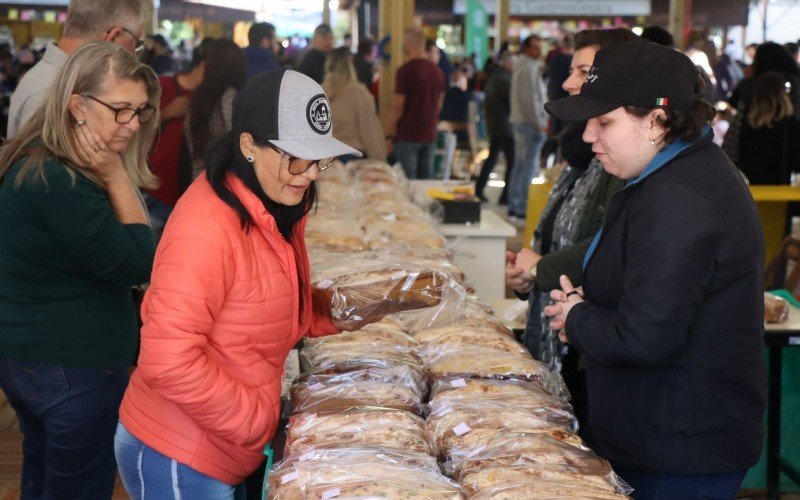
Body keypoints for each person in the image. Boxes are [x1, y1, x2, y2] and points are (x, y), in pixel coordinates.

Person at [115, 69, 362, 498]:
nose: (310, 175)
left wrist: (347, 308)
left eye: (319, 159)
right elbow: (167, 359)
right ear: (249, 145)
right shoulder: (207, 226)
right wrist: (255, 419)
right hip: (180, 452)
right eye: (296, 159)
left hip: (222, 446)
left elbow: (264, 307)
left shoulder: (274, 205)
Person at [543, 41, 766, 499]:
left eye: (605, 122)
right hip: (661, 437)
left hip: (679, 453)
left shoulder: (681, 199)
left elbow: (645, 337)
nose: (588, 136)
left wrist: (577, 318)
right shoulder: (666, 177)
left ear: (656, 121)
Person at [0, 41, 158, 499]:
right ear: (78, 107)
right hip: (73, 363)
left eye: (140, 112)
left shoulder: (35, 154)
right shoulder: (64, 179)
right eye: (121, 109)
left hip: (33, 355)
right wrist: (115, 175)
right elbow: (136, 263)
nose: (131, 124)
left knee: (45, 472)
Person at [505, 28, 637, 428]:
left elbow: (605, 244)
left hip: (588, 348)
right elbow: (559, 232)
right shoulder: (583, 154)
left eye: (582, 70)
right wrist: (527, 272)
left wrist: (540, 268)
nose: (566, 81)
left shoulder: (626, 164)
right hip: (563, 334)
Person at [8, 0, 147, 138]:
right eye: (137, 43)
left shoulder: (55, 80)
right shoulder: (53, 91)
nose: (134, 54)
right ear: (114, 38)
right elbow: (44, 160)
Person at [144, 39, 209, 241]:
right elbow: (137, 125)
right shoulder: (163, 85)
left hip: (188, 197)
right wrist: (168, 112)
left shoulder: (209, 98)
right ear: (204, 64)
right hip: (157, 189)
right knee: (147, 260)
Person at [725, 42, 800, 184]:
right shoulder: (791, 123)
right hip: (784, 190)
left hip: (749, 190)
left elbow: (731, 148)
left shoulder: (749, 87)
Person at [386, 28, 445, 179]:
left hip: (407, 136)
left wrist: (388, 135)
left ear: (408, 44)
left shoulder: (405, 71)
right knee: (426, 185)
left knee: (407, 185)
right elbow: (439, 104)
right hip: (430, 135)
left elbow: (397, 107)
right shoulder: (437, 72)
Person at [185, 39, 247, 178]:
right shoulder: (232, 98)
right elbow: (240, 147)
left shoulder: (198, 97)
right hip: (225, 183)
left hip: (198, 181)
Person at [507, 35, 547, 220]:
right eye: (536, 47)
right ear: (527, 49)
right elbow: (531, 101)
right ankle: (520, 206)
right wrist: (540, 123)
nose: (539, 50)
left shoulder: (522, 66)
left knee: (520, 165)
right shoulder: (528, 68)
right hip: (529, 124)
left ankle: (515, 205)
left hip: (521, 121)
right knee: (527, 167)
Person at [322, 47, 386, 161]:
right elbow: (369, 130)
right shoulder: (359, 93)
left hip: (325, 159)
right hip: (353, 158)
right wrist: (380, 159)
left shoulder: (319, 92)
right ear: (351, 66)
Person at [476, 52, 515, 203]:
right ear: (507, 64)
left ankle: (479, 189)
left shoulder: (493, 77)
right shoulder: (505, 79)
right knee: (511, 160)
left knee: (492, 158)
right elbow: (510, 104)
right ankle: (505, 196)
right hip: (505, 126)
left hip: (495, 124)